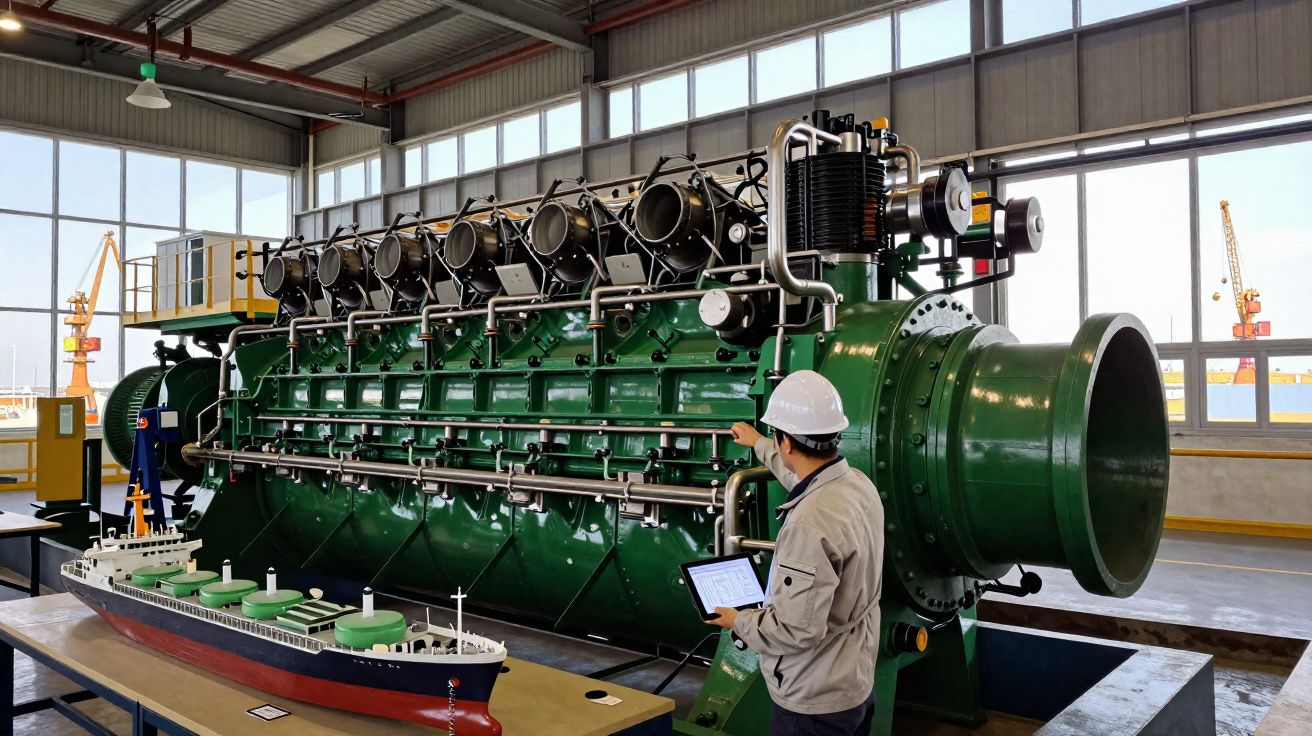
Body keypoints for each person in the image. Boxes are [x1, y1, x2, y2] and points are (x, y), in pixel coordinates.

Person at [708, 370, 884, 736]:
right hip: (855, 679)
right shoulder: (856, 486)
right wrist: (759, 443)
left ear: (786, 441)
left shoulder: (808, 526)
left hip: (813, 701)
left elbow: (793, 630)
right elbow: (803, 480)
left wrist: (736, 620)